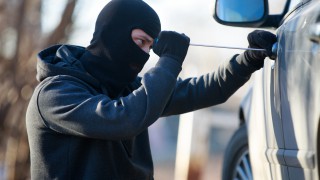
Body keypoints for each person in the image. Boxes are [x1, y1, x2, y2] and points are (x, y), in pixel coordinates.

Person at [26, 0, 276, 179]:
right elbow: (123, 119)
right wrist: (168, 62)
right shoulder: (55, 94)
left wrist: (247, 61)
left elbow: (202, 90)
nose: (144, 54)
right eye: (140, 42)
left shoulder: (129, 90)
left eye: (149, 46)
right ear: (113, 34)